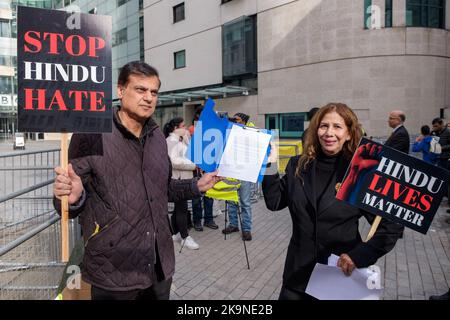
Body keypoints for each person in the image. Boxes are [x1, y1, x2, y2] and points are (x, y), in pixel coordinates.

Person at [53, 61, 218, 300]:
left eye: (154, 92)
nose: (149, 98)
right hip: (113, 271)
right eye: (140, 90)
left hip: (158, 267)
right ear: (121, 91)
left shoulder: (157, 137)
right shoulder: (91, 134)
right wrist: (73, 197)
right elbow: (66, 201)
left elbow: (164, 188)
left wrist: (197, 185)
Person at [262, 103, 404, 300]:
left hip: (339, 276)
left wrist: (361, 255)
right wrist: (269, 164)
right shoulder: (298, 165)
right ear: (316, 130)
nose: (329, 132)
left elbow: (391, 226)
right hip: (298, 276)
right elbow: (274, 201)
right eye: (323, 126)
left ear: (348, 133)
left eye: (337, 126)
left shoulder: (360, 172)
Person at [164, 117, 200, 250]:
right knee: (182, 209)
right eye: (183, 126)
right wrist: (193, 165)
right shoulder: (171, 141)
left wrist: (186, 139)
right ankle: (185, 237)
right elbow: (174, 161)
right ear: (175, 128)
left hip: (182, 179)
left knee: (179, 209)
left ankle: (176, 233)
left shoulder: (178, 140)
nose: (186, 128)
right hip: (178, 180)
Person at [222, 112, 255, 241]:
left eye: (238, 120)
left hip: (245, 172)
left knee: (245, 203)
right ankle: (233, 224)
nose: (235, 122)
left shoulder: (252, 131)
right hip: (231, 171)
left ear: (244, 121)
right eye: (234, 120)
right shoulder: (231, 131)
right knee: (231, 200)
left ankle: (246, 229)